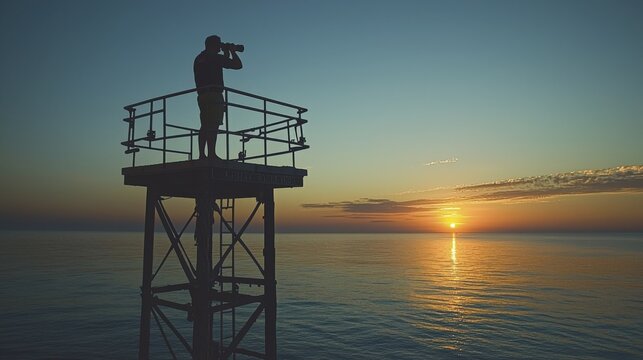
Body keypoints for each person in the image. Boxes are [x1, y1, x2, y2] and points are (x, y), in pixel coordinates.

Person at [193, 35, 243, 160]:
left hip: (202, 95)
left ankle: (202, 154)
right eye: (218, 44)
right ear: (213, 45)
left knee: (205, 125)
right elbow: (237, 65)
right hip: (214, 95)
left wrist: (225, 52)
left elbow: (220, 64)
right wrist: (232, 51)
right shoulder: (214, 57)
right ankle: (211, 154)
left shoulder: (200, 58)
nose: (220, 46)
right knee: (213, 125)